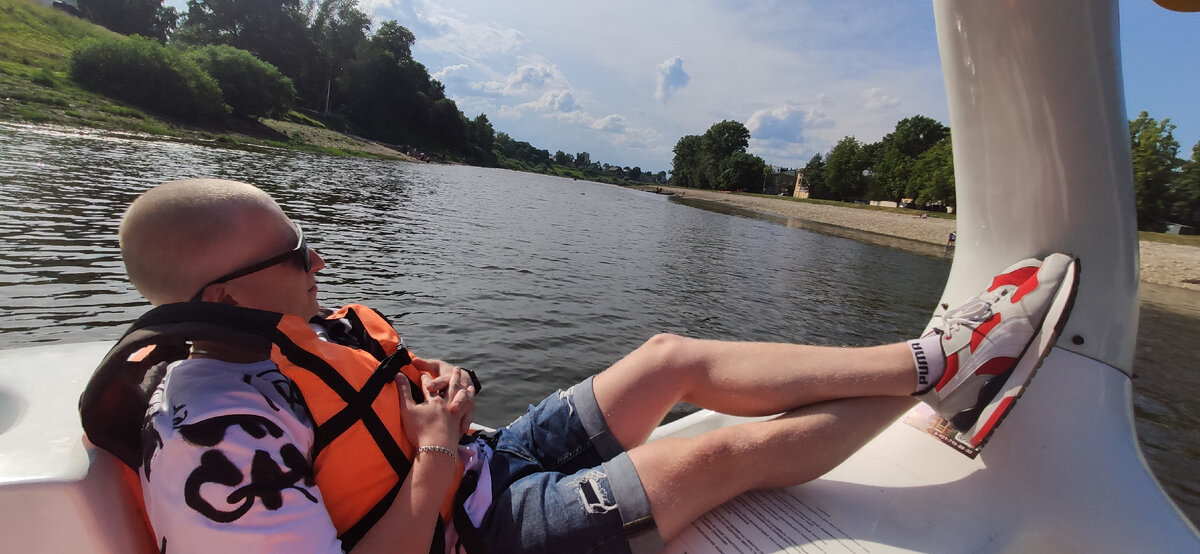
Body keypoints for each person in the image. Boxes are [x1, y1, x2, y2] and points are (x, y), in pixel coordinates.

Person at [81, 179, 1079, 554]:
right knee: (717, 455)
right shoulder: (216, 435)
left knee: (670, 358)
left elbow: (379, 396)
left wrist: (443, 400)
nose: (319, 263)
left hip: (482, 461)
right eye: (297, 255)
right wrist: (435, 456)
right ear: (220, 297)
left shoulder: (291, 328)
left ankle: (926, 355)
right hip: (477, 529)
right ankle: (947, 377)